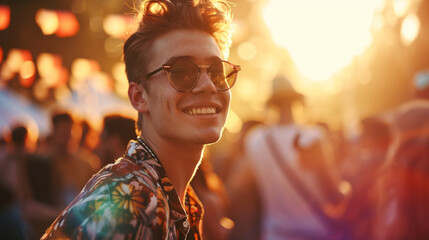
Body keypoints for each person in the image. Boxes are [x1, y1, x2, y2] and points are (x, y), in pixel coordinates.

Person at [41, 0, 239, 239]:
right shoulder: (131, 203)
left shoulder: (167, 197)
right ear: (139, 97)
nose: (208, 85)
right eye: (181, 71)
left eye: (217, 72)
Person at [244, 75, 348, 240]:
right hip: (316, 233)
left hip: (275, 235)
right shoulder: (313, 137)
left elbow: (250, 190)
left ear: (272, 104)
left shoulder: (254, 139)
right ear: (296, 101)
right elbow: (332, 192)